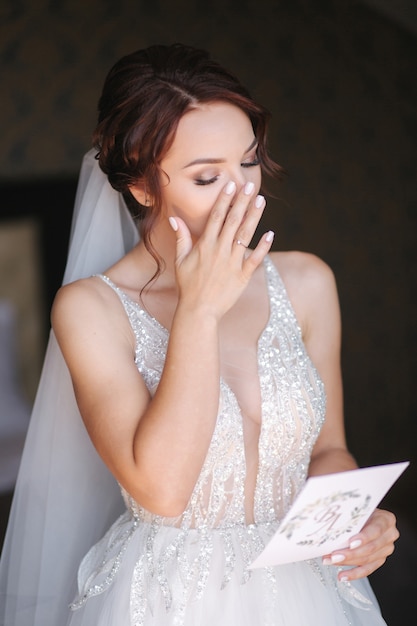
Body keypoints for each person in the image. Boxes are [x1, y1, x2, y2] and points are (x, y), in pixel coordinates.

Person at [0, 43, 399, 626]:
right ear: (141, 187)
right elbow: (162, 490)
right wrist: (200, 312)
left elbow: (328, 449)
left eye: (248, 161)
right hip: (170, 599)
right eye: (208, 176)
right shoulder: (90, 309)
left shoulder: (308, 280)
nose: (243, 193)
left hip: (308, 586)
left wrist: (353, 518)